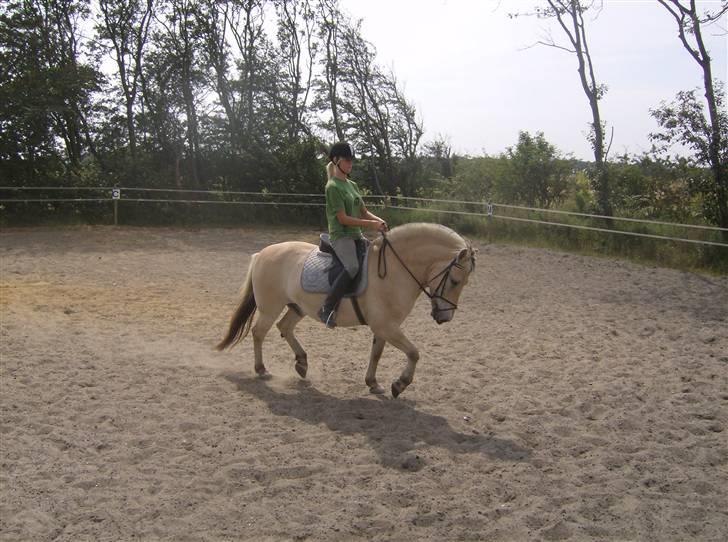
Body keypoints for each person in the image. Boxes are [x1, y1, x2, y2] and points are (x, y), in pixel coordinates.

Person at [318, 142, 388, 328]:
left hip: (356, 235)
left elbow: (364, 212)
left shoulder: (353, 185)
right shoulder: (332, 187)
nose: (351, 164)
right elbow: (343, 219)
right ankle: (327, 308)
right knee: (352, 267)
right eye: (347, 160)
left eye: (351, 161)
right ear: (336, 160)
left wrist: (379, 221)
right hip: (341, 236)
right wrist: (371, 225)